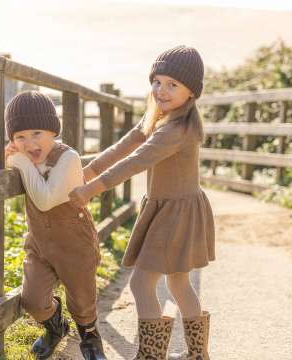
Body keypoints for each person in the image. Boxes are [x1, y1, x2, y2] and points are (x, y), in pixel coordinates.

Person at [69, 45, 215, 359]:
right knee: (178, 283)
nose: (161, 90)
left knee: (141, 284)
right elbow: (128, 143)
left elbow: (136, 161)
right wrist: (90, 169)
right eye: (157, 82)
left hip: (174, 213)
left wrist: (92, 188)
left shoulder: (177, 129)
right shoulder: (162, 117)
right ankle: (198, 355)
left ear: (191, 92)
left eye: (172, 85)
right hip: (175, 208)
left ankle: (150, 356)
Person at [4, 91, 106, 360]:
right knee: (33, 300)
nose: (29, 143)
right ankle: (55, 326)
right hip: (40, 243)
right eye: (20, 137)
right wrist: (10, 159)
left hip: (74, 243)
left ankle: (90, 339)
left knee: (83, 300)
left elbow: (46, 199)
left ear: (53, 131)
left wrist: (20, 162)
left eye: (37, 132)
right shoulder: (26, 158)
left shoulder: (68, 158)